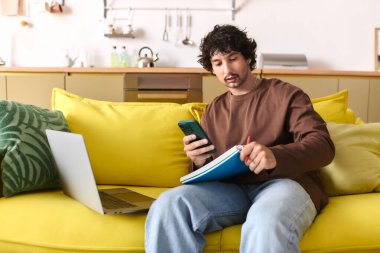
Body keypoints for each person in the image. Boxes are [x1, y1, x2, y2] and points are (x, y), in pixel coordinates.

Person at [145, 24, 335, 253]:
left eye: (233, 58)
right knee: (168, 205)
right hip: (230, 191)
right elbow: (205, 170)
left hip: (284, 184)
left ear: (247, 58)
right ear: (212, 69)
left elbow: (323, 146)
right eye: (218, 63)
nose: (227, 70)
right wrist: (198, 160)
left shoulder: (286, 94)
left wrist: (274, 155)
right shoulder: (214, 109)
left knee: (265, 222)